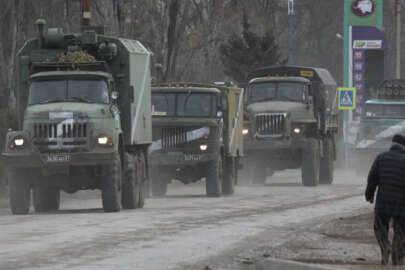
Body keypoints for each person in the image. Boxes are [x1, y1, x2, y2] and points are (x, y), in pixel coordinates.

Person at [366, 134, 405, 265]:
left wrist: (369, 194)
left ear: (392, 144)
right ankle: (396, 255)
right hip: (402, 204)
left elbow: (372, 179)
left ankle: (385, 247)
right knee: (401, 230)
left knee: (380, 227)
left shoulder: (381, 158)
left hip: (383, 202)